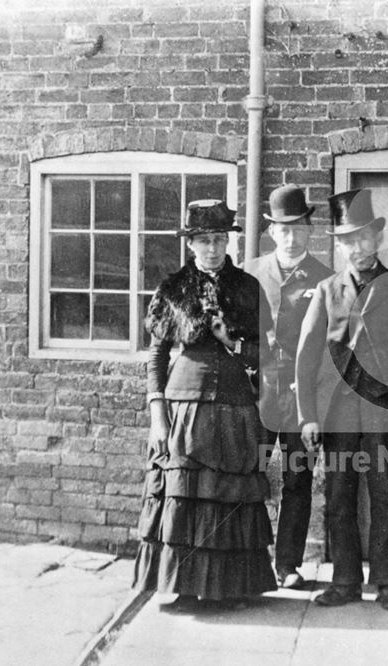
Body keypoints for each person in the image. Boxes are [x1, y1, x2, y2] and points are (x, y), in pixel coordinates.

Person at [133, 199, 277, 611]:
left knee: (227, 495)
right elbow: (158, 357)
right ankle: (181, 584)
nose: (212, 249)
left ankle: (229, 588)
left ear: (227, 241)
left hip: (234, 407)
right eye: (202, 241)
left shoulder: (248, 288)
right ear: (190, 244)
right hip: (184, 407)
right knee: (185, 493)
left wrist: (230, 338)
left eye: (218, 239)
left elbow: (263, 355)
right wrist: (158, 416)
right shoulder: (173, 288)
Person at [295, 188, 388, 611]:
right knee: (338, 496)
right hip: (337, 412)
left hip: (382, 410)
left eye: (363, 238)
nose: (356, 248)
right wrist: (308, 417)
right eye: (347, 241)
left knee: (387, 493)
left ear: (377, 238)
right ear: (339, 246)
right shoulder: (327, 290)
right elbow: (307, 355)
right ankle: (346, 580)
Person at [244, 184, 333, 590]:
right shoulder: (251, 272)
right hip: (260, 391)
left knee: (298, 480)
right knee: (252, 474)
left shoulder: (325, 278)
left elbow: (330, 345)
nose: (291, 235)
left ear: (309, 229)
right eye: (284, 228)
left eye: (298, 227)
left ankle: (288, 564)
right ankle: (250, 557)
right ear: (271, 231)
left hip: (302, 397)